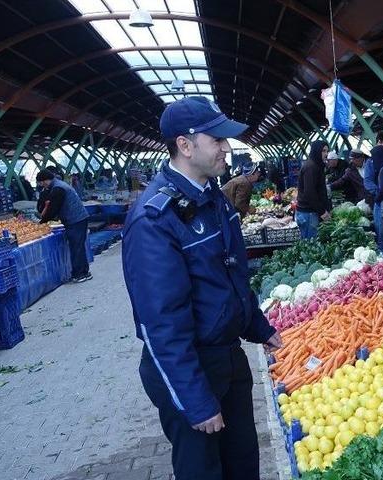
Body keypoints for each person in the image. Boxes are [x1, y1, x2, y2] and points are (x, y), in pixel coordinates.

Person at [122, 96, 281, 480]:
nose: (227, 148)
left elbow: (231, 277)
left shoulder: (212, 199)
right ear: (185, 145)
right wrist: (195, 400)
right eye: (217, 140)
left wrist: (260, 327)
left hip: (227, 358)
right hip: (191, 370)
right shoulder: (154, 220)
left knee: (242, 463)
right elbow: (161, 323)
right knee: (202, 470)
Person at [36, 170, 92, 283]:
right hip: (79, 218)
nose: (42, 186)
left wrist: (42, 223)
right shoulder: (59, 185)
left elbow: (53, 209)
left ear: (45, 180)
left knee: (76, 247)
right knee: (79, 246)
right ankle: (84, 272)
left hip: (75, 220)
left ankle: (79, 274)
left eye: (41, 183)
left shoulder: (58, 189)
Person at [296, 140, 332, 239]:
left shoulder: (315, 165)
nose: (326, 154)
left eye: (327, 151)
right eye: (323, 151)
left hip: (310, 212)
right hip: (309, 213)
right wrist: (322, 211)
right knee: (311, 244)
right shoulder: (311, 167)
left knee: (310, 243)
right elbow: (310, 193)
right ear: (316, 151)